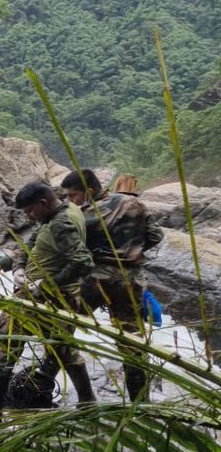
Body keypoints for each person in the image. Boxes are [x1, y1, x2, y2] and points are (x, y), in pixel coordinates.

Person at [0, 181, 96, 411]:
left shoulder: (60, 224)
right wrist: (16, 268)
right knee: (63, 349)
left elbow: (84, 262)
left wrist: (44, 284)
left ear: (43, 203)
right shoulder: (63, 212)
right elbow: (31, 244)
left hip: (38, 300)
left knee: (5, 346)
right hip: (64, 299)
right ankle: (88, 401)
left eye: (30, 211)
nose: (29, 217)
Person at [60, 169, 164, 401]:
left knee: (64, 326)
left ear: (88, 192)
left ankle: (48, 386)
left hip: (95, 280)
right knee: (132, 341)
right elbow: (156, 235)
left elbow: (72, 246)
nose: (70, 201)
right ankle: (141, 404)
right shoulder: (135, 204)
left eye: (72, 195)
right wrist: (132, 251)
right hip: (131, 281)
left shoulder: (84, 214)